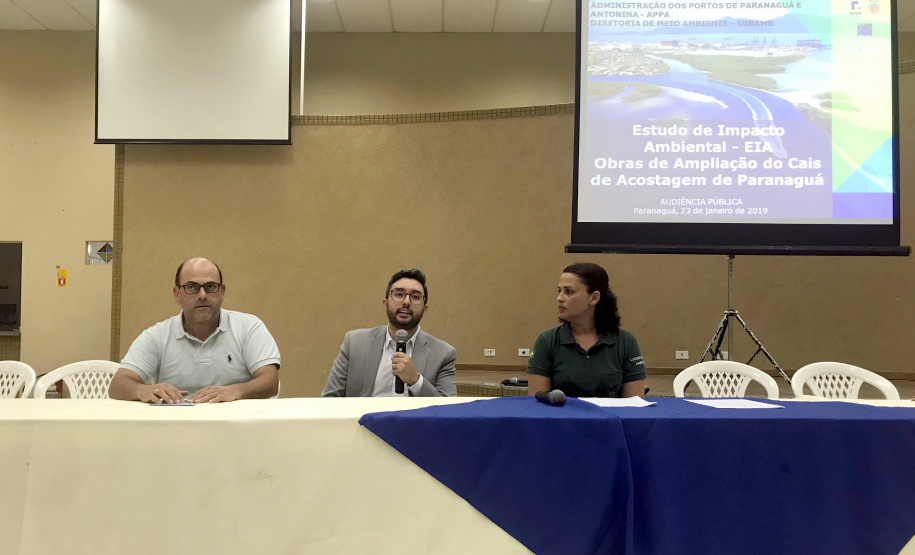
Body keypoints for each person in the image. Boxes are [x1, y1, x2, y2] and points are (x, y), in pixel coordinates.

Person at [108, 257, 281, 403]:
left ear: (222, 292)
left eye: (211, 286)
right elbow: (118, 385)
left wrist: (235, 391)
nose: (203, 295)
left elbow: (269, 382)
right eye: (192, 287)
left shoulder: (248, 327)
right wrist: (142, 390)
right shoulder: (157, 336)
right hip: (176, 430)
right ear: (177, 294)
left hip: (236, 431)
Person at [322, 269, 456, 397]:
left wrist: (416, 380)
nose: (406, 302)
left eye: (415, 297)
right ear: (385, 302)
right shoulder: (355, 343)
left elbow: (449, 410)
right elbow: (330, 398)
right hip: (363, 420)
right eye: (398, 294)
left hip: (413, 421)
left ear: (424, 308)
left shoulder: (443, 353)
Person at [527, 262, 645, 398]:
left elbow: (635, 405)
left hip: (611, 419)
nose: (559, 298)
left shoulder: (626, 342)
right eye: (559, 291)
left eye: (569, 291)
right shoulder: (546, 341)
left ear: (594, 297)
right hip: (562, 419)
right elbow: (536, 402)